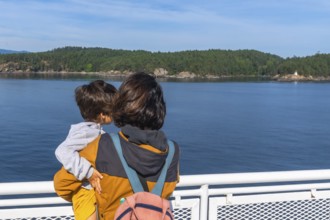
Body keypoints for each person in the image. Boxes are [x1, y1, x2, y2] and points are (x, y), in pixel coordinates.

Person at [54, 72, 180, 219]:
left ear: (122, 105)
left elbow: (61, 186)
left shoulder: (101, 146)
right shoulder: (172, 152)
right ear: (160, 108)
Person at [54, 80, 117, 220]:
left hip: (92, 192)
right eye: (114, 110)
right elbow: (62, 151)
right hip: (84, 192)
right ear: (102, 114)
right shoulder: (86, 132)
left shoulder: (95, 131)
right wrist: (87, 171)